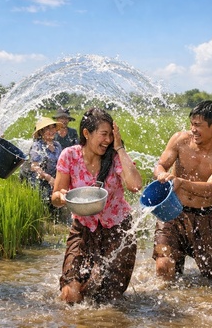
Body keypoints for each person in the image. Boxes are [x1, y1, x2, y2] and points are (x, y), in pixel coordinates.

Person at [51, 107, 142, 303]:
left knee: (108, 300)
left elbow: (135, 185)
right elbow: (56, 196)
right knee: (70, 294)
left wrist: (119, 148)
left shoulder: (115, 157)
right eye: (103, 134)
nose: (108, 140)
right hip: (83, 228)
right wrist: (62, 196)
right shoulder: (69, 156)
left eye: (111, 135)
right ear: (86, 133)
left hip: (118, 231)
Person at [153, 100, 212, 283]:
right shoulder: (179, 140)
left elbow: (211, 188)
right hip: (172, 212)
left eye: (198, 125)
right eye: (192, 124)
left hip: (205, 217)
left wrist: (180, 182)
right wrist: (161, 174)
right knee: (164, 266)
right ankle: (166, 309)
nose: (193, 129)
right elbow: (161, 164)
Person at [28, 117, 63, 219]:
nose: (51, 131)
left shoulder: (57, 145)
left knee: (58, 211)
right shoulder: (37, 146)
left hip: (55, 182)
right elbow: (34, 167)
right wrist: (49, 178)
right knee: (44, 213)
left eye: (53, 128)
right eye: (48, 129)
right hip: (41, 184)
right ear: (41, 132)